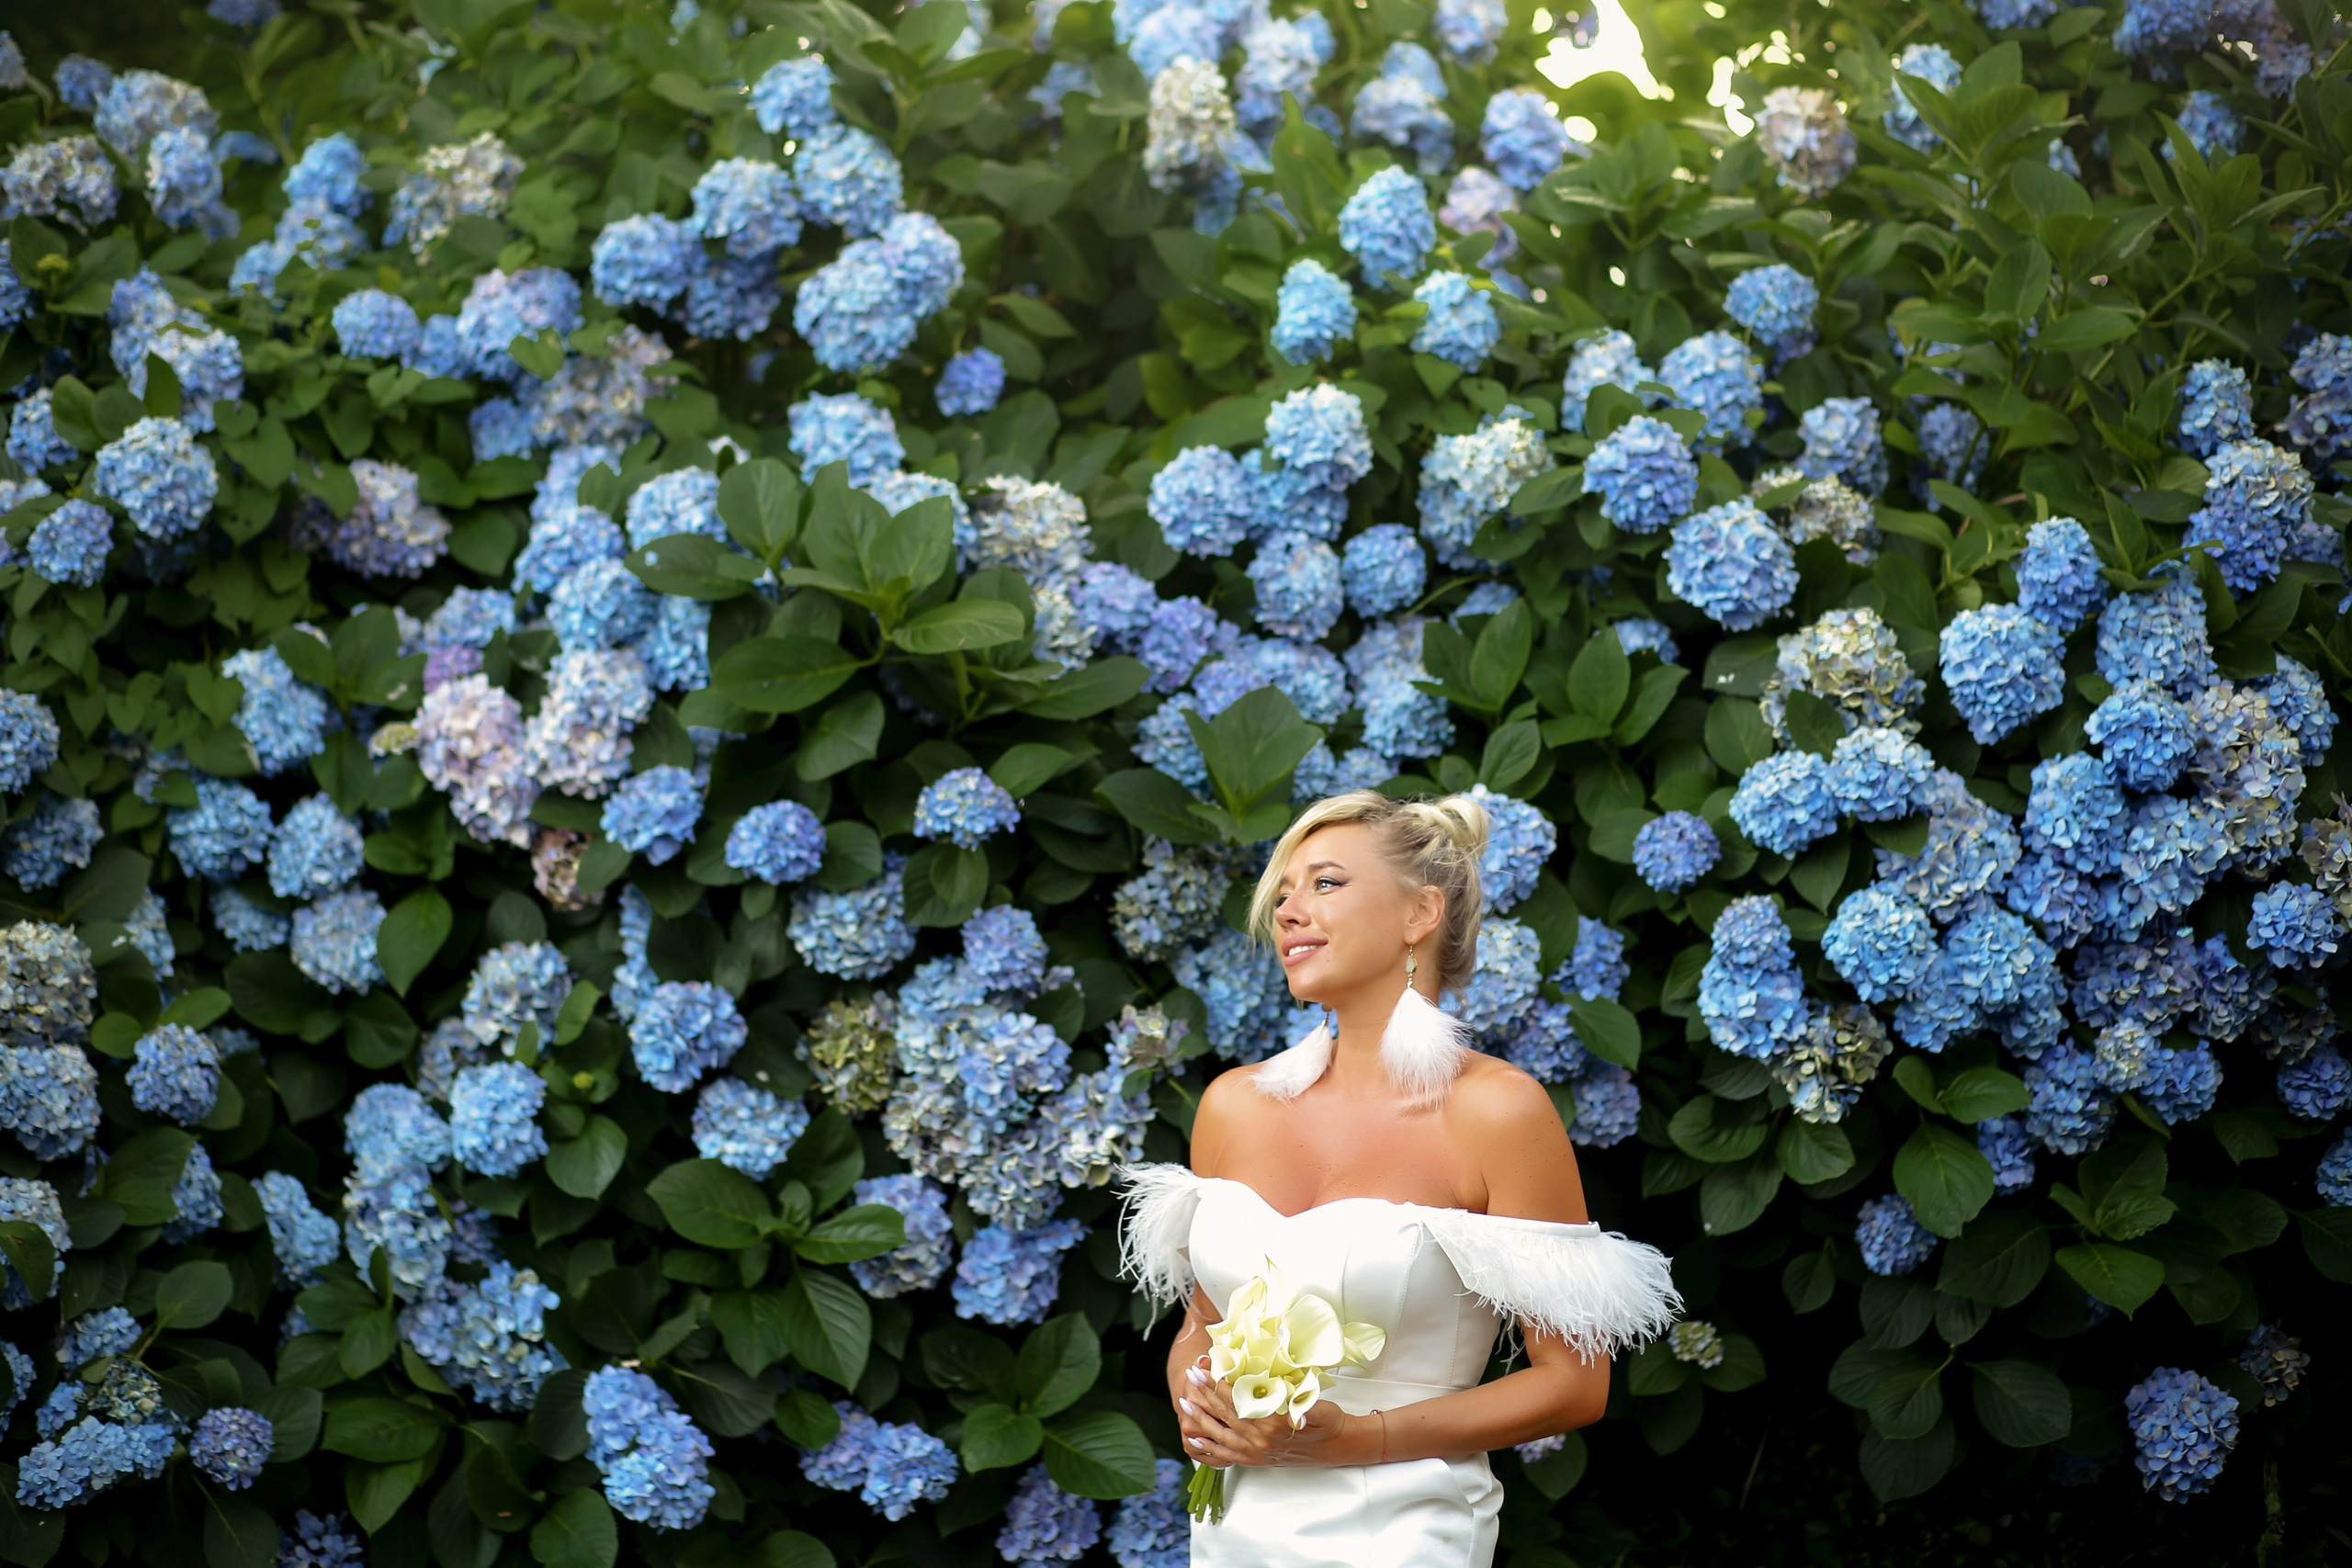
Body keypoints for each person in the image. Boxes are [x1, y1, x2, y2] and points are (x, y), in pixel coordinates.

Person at [1116, 790, 1679, 1567]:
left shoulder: (1498, 1111)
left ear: (1420, 913)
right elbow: (1203, 1323)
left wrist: (1361, 1438)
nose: (1288, 910)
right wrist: (1201, 1401)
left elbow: (1574, 1384)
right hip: (1233, 1532)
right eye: (1283, 893)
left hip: (1403, 1533)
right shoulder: (1231, 1105)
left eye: (1325, 882)